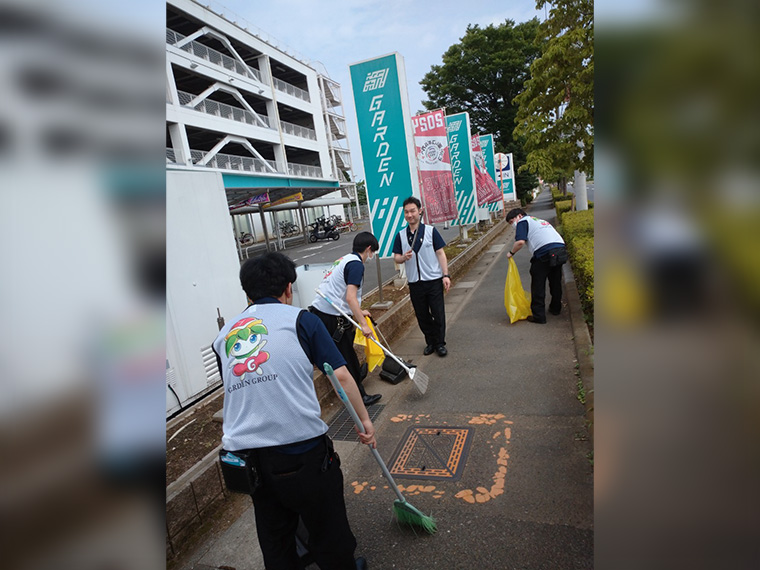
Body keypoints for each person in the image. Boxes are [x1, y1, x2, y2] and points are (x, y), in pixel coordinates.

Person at [212, 252, 375, 570]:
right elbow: (340, 375)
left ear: (247, 293)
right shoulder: (302, 320)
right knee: (329, 530)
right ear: (289, 288)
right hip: (303, 452)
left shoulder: (224, 336)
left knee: (276, 538)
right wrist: (365, 422)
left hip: (250, 461)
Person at [310, 232, 382, 406]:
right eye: (373, 253)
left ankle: (357, 377)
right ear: (369, 249)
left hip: (320, 312)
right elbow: (350, 297)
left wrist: (359, 311)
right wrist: (364, 325)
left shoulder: (344, 259)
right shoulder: (357, 265)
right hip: (332, 318)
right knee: (346, 357)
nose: (371, 257)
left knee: (343, 353)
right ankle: (360, 396)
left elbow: (343, 294)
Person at [392, 197, 451, 357]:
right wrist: (403, 257)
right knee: (422, 315)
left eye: (412, 211)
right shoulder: (401, 235)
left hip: (433, 280)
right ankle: (430, 342)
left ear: (420, 211)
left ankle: (440, 343)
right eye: (406, 212)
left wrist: (445, 275)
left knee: (438, 313)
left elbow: (441, 253)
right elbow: (396, 257)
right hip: (415, 283)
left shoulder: (431, 231)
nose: (409, 215)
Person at [505, 208, 568, 324]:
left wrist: (511, 253)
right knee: (555, 281)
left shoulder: (523, 222)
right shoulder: (539, 221)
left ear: (519, 216)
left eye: (511, 221)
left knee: (538, 284)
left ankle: (539, 316)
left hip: (544, 252)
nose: (512, 225)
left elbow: (520, 242)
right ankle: (555, 308)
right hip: (560, 249)